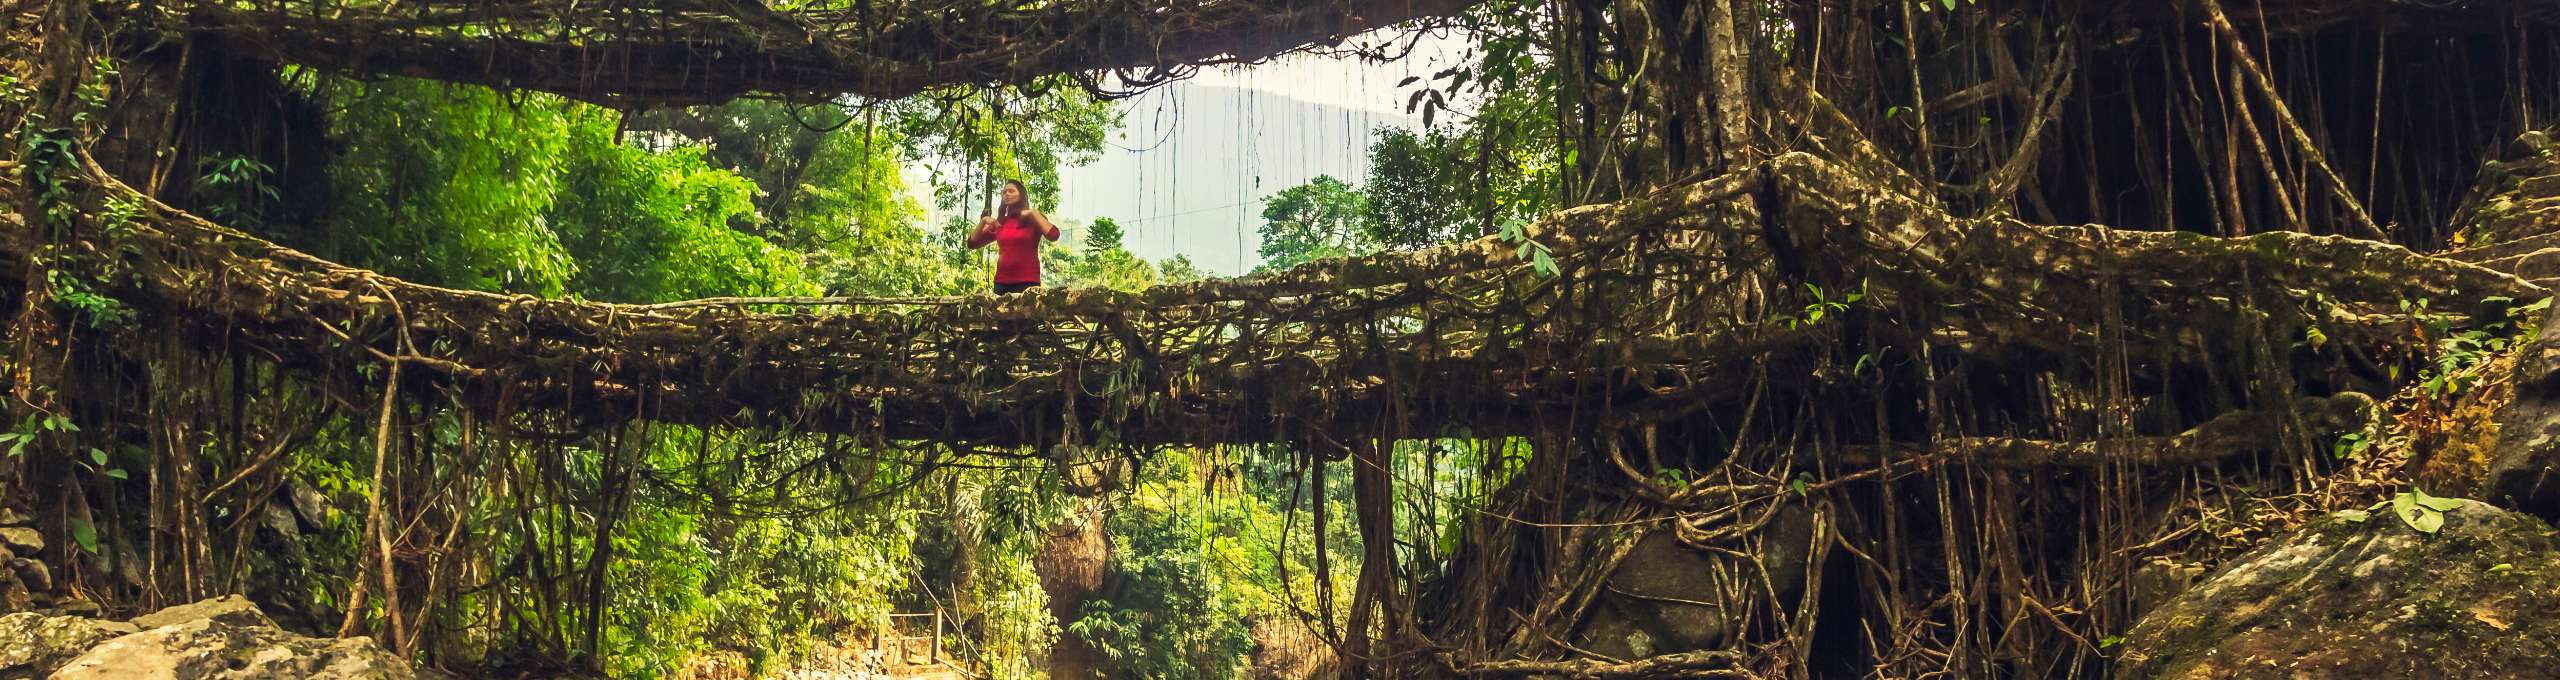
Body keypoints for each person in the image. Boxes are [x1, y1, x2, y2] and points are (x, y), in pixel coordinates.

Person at [968, 179, 1061, 294]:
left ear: (1021, 195)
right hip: (1001, 284)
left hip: (1028, 283)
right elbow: (972, 243)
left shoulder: (1033, 219)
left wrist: (1033, 213)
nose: (1006, 194)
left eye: (1011, 191)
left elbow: (1054, 235)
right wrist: (983, 221)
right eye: (1004, 192)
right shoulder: (1001, 222)